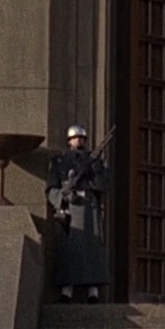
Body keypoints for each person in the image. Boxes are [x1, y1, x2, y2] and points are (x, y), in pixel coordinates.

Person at [47, 124, 110, 303]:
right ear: (69, 141)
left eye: (82, 138)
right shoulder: (59, 161)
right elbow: (52, 188)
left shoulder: (93, 161)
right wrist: (63, 196)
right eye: (75, 138)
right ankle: (67, 291)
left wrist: (94, 170)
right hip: (70, 210)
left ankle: (93, 292)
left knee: (92, 249)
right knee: (70, 250)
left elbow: (103, 185)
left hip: (89, 208)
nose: (79, 141)